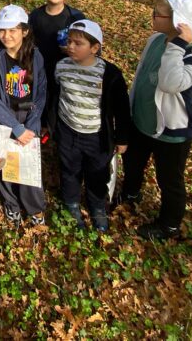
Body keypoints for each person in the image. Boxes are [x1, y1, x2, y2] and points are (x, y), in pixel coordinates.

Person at [118, 0, 192, 241]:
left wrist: (178, 44)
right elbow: (141, 76)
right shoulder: (154, 40)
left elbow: (171, 83)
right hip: (142, 119)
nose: (152, 16)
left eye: (157, 14)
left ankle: (168, 224)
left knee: (169, 179)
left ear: (177, 21)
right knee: (133, 162)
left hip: (172, 130)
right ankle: (130, 193)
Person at [53, 20, 130, 231]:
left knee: (97, 172)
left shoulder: (109, 74)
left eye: (78, 43)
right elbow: (55, 95)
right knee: (70, 170)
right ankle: (71, 203)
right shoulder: (62, 67)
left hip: (96, 135)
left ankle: (97, 207)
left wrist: (122, 138)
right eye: (69, 41)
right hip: (68, 131)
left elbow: (122, 109)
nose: (71, 46)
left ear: (95, 48)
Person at [0, 5, 48, 228]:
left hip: (29, 116)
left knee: (28, 165)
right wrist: (14, 128)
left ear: (25, 31)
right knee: (6, 164)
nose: (7, 36)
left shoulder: (35, 56)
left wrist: (29, 126)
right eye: (2, 31)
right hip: (5, 117)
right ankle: (11, 204)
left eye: (13, 30)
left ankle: (34, 207)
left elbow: (40, 93)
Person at [28, 0, 85, 134]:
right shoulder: (35, 16)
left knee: (62, 106)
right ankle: (42, 132)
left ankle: (60, 135)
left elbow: (89, 47)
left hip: (68, 72)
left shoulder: (75, 17)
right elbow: (28, 43)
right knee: (42, 104)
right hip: (41, 71)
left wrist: (73, 51)